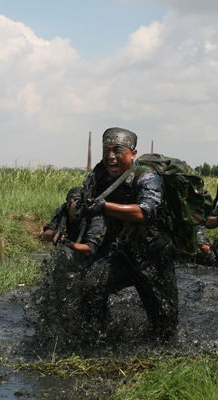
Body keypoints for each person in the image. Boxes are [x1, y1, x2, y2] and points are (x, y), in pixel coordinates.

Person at [78, 127, 178, 340]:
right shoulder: (99, 175)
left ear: (132, 153)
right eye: (106, 151)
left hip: (154, 257)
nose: (110, 157)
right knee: (90, 286)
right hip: (123, 254)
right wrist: (74, 202)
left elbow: (145, 212)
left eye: (117, 150)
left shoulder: (146, 176)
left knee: (165, 327)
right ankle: (99, 338)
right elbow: (83, 194)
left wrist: (104, 207)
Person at [42, 187, 106, 257]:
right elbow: (45, 235)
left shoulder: (95, 217)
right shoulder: (64, 212)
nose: (79, 209)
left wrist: (68, 244)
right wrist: (54, 235)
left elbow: (89, 250)